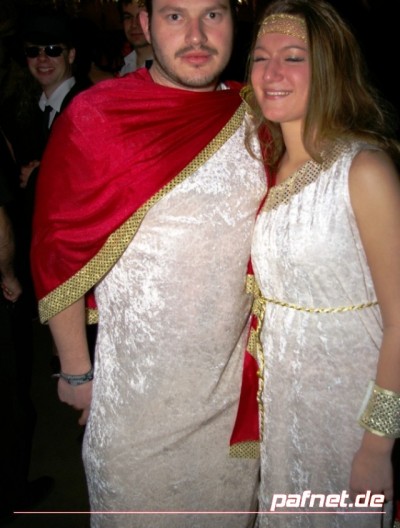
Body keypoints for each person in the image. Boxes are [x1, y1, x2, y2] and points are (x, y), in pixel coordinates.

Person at [30, 1, 267, 527]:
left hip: (230, 416)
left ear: (234, 21)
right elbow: (57, 251)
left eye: (213, 15)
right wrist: (76, 371)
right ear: (145, 25)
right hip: (134, 416)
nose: (197, 35)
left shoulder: (255, 114)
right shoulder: (96, 117)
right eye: (175, 16)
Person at [239, 0, 400, 526]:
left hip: (347, 411)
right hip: (282, 405)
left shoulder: (363, 170)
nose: (272, 73)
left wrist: (377, 445)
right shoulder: (263, 163)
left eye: (293, 57)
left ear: (331, 69)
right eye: (260, 58)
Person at [117, 0, 153, 75]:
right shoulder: (127, 67)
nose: (134, 24)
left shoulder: (168, 70)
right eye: (128, 17)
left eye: (142, 17)